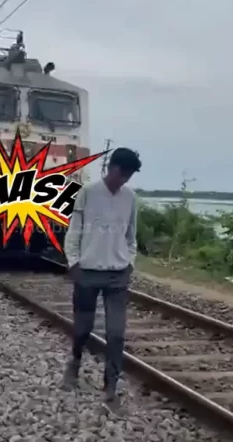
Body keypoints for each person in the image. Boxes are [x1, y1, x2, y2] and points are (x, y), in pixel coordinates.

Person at [62, 147, 142, 407]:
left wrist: (130, 262)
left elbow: (131, 236)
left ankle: (110, 386)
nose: (126, 179)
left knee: (116, 333)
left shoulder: (130, 197)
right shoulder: (88, 192)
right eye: (124, 173)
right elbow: (74, 231)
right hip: (88, 272)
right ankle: (74, 362)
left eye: (129, 175)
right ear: (113, 168)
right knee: (83, 329)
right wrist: (73, 262)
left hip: (117, 275)